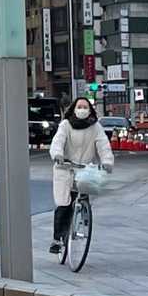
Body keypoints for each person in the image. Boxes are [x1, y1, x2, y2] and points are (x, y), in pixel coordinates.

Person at [47, 97, 114, 256]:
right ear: (74, 108)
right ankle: (57, 239)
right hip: (65, 168)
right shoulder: (66, 125)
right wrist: (57, 155)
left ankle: (83, 217)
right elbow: (58, 141)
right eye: (79, 106)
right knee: (63, 203)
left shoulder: (95, 127)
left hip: (84, 168)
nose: (82, 109)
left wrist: (107, 161)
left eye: (85, 107)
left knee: (83, 194)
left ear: (90, 110)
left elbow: (103, 145)